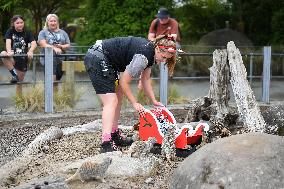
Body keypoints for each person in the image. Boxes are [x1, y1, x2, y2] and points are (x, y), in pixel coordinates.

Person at [84, 35, 177, 153]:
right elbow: (124, 81)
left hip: (106, 60)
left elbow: (146, 79)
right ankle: (106, 143)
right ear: (158, 49)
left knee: (118, 95)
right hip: (97, 57)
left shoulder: (151, 53)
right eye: (163, 57)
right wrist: (135, 103)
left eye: (167, 59)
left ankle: (114, 134)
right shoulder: (143, 57)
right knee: (111, 101)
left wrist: (154, 100)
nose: (163, 60)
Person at [0, 15, 37, 84]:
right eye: (17, 23)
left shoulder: (27, 32)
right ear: (13, 24)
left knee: (19, 83)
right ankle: (14, 75)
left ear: (24, 23)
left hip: (22, 59)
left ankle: (19, 95)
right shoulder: (10, 31)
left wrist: (30, 51)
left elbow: (34, 43)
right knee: (3, 53)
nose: (20, 24)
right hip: (12, 58)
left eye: (21, 22)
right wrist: (9, 52)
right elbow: (8, 42)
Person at [38, 14, 70, 81]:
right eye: (51, 21)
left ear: (57, 22)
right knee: (51, 81)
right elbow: (42, 44)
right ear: (47, 22)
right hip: (48, 59)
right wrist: (54, 48)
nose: (53, 23)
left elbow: (68, 45)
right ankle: (51, 91)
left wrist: (61, 46)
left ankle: (55, 92)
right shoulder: (43, 32)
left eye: (54, 21)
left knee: (57, 80)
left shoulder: (63, 32)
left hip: (60, 60)